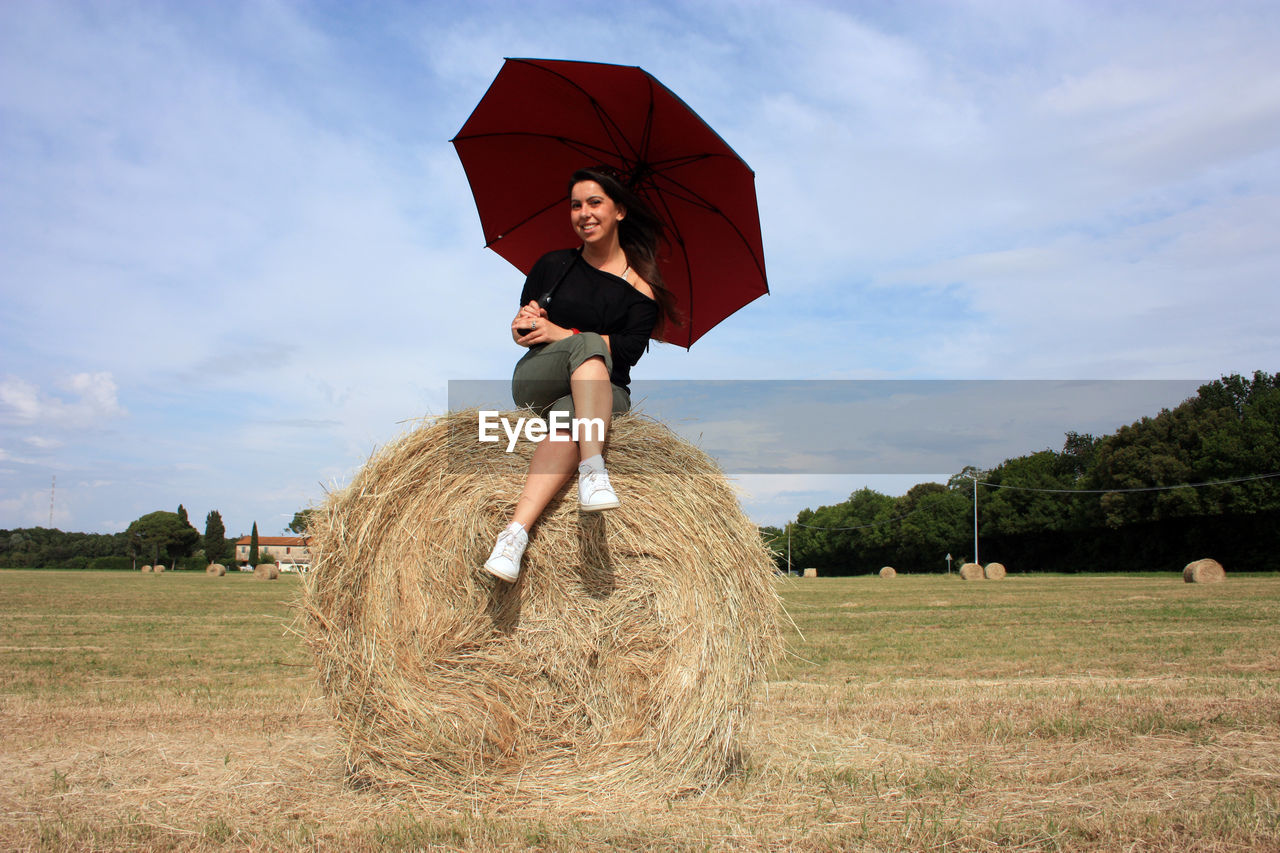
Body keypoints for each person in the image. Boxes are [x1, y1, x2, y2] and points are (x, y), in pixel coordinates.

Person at [482, 167, 679, 582]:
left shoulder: (643, 291)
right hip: (539, 376)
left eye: (594, 203)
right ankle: (594, 470)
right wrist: (527, 324)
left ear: (619, 211)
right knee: (589, 343)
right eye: (576, 205)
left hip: (604, 391)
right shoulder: (553, 266)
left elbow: (626, 352)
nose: (583, 213)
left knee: (573, 413)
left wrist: (565, 334)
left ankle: (513, 535)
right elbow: (526, 329)